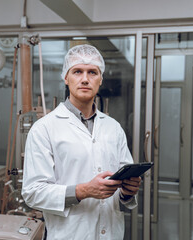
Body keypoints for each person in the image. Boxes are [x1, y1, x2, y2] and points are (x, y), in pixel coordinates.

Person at [21, 44, 141, 240]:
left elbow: (120, 197)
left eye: (92, 72)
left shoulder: (113, 127)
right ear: (66, 78)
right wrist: (83, 191)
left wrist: (128, 192)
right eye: (77, 71)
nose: (85, 79)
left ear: (100, 79)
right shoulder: (44, 129)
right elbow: (33, 193)